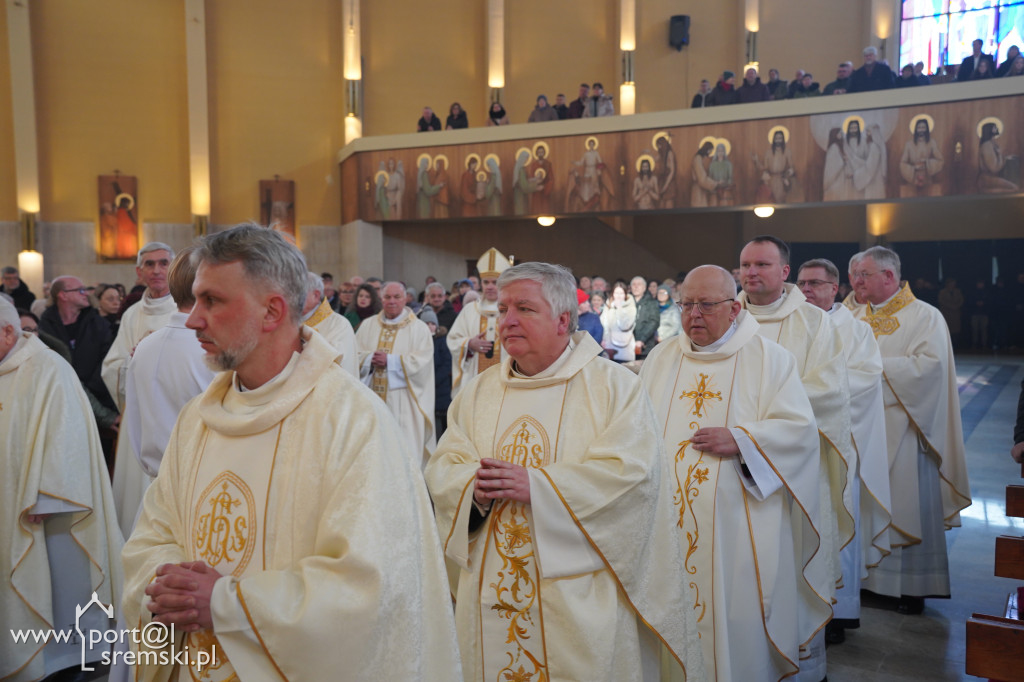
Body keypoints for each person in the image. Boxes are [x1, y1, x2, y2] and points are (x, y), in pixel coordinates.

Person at [121, 224, 461, 680]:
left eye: (212, 301)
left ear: (272, 311)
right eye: (196, 299)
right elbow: (151, 533)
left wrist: (227, 604)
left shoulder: (352, 421)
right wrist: (167, 582)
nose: (193, 319)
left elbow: (371, 585)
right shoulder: (198, 419)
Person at [425, 261, 705, 682]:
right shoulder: (479, 391)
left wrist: (538, 486)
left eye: (524, 309)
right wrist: (473, 490)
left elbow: (632, 477)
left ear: (562, 320)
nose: (508, 321)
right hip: (490, 592)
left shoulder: (613, 388)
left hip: (574, 594)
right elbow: (446, 463)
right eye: (502, 310)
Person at [640, 265, 829, 682]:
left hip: (739, 528)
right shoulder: (660, 358)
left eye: (706, 305)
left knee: (733, 618)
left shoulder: (769, 360)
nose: (693, 315)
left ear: (732, 307)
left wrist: (744, 441)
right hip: (666, 523)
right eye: (687, 304)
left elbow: (800, 433)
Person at [737, 236, 855, 680]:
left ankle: (801, 664)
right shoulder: (723, 316)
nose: (751, 272)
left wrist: (754, 427)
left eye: (762, 264)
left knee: (787, 564)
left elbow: (827, 394)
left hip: (790, 471)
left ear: (784, 271)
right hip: (729, 470)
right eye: (745, 264)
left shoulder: (813, 323)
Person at [0, 297, 123, 682]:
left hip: (45, 512)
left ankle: (57, 660)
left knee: (54, 589)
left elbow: (68, 437)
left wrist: (46, 495)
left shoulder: (48, 369)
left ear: (7, 332)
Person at [851, 246, 972, 614]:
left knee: (904, 503)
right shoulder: (849, 315)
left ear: (889, 277)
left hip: (905, 426)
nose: (855, 282)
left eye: (864, 276)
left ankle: (911, 588)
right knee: (864, 504)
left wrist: (867, 369)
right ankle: (866, 581)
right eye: (854, 274)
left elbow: (929, 370)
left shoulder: (925, 317)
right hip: (860, 428)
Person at [797, 258, 893, 645]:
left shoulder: (854, 330)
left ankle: (838, 610)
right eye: (801, 283)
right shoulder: (791, 326)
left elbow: (866, 379)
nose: (805, 290)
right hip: (789, 445)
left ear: (834, 288)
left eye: (815, 284)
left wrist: (802, 402)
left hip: (835, 442)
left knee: (837, 519)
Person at [122, 246, 215, 532]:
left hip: (156, 493)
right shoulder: (211, 350)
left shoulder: (145, 348)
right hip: (206, 493)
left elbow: (134, 423)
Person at [102, 241, 177, 537]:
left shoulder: (185, 307)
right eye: (150, 264)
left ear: (173, 268)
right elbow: (111, 366)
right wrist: (135, 362)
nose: (157, 270)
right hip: (139, 414)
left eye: (163, 263)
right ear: (139, 271)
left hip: (172, 412)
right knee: (135, 495)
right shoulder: (133, 314)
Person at [356, 281, 436, 469]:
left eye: (397, 297)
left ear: (405, 299)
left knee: (402, 456)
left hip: (404, 402)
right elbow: (354, 355)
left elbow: (422, 362)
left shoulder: (419, 329)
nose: (392, 301)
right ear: (381, 299)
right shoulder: (367, 325)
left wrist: (391, 362)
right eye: (387, 297)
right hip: (371, 400)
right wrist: (369, 359)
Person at [448, 248, 509, 397]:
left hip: (505, 378)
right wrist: (468, 344)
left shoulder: (511, 310)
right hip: (474, 379)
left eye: (495, 282)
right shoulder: (470, 310)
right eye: (486, 282)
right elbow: (453, 339)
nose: (489, 286)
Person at [302, 271, 358, 376]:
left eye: (297, 293)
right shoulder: (288, 322)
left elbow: (337, 365)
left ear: (315, 295)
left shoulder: (339, 325)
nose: (290, 298)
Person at [899, 116, 944, 196]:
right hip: (912, 180)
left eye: (923, 127)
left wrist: (927, 163)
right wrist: (913, 168)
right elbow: (902, 163)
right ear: (916, 129)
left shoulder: (932, 143)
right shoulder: (909, 144)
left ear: (927, 129)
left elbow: (940, 160)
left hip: (927, 180)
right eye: (919, 127)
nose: (921, 130)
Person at [600, 281, 636, 362]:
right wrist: (603, 339)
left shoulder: (630, 307)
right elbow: (604, 323)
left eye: (621, 293)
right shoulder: (608, 305)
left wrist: (619, 308)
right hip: (608, 346)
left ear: (625, 294)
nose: (618, 296)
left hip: (624, 348)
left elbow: (625, 326)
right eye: (616, 293)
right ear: (613, 293)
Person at [631, 275, 660, 357]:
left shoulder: (651, 303)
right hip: (627, 346)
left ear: (644, 288)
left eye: (639, 284)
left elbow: (654, 322)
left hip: (645, 346)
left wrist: (641, 339)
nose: (636, 287)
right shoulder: (627, 302)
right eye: (634, 284)